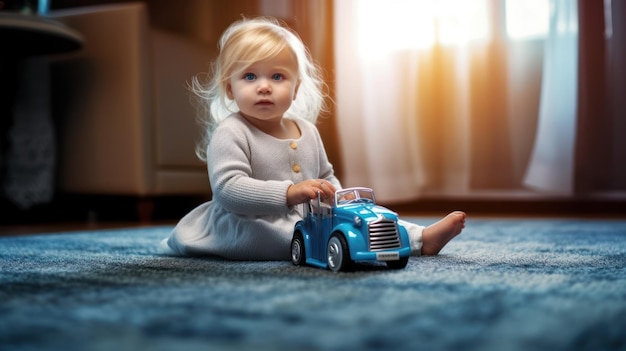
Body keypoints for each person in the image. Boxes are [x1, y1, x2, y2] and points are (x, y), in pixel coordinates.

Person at [161, 16, 466, 261]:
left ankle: (420, 239)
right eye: (250, 77)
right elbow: (229, 190)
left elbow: (325, 176)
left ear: (295, 89)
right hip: (247, 220)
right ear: (229, 88)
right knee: (282, 233)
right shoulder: (231, 132)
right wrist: (289, 192)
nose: (264, 86)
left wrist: (340, 201)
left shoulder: (307, 131)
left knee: (365, 222)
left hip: (307, 217)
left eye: (277, 76)